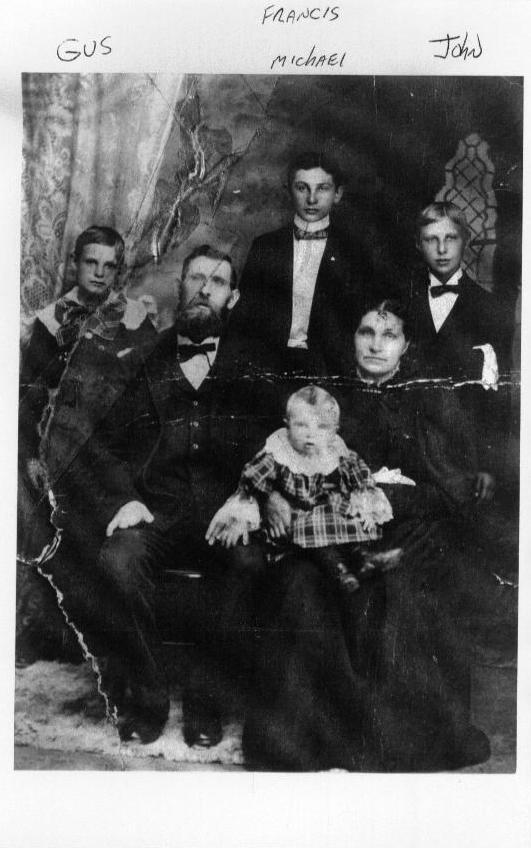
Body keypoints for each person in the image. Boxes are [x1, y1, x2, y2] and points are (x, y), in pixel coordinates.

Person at [35, 244, 277, 745]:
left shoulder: (254, 363)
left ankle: (206, 700)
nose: (205, 290)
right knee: (118, 560)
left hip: (225, 512)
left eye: (217, 282)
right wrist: (124, 499)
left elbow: (277, 439)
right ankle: (148, 696)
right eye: (196, 279)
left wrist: (249, 497)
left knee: (251, 564)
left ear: (232, 298)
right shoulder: (141, 358)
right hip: (155, 512)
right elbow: (98, 445)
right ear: (179, 287)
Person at [241, 299, 493, 772]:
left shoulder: (427, 399)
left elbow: (449, 490)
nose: (376, 345)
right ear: (352, 339)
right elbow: (281, 459)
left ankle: (390, 742)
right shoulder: (324, 399)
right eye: (366, 333)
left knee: (402, 594)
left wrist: (388, 499)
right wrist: (273, 495)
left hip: (407, 531)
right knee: (302, 587)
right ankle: (306, 738)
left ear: (406, 345)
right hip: (327, 531)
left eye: (389, 335)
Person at [206, 385, 394, 594]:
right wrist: (262, 496)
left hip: (330, 511)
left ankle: (364, 558)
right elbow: (253, 476)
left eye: (322, 427)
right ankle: (340, 571)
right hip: (297, 516)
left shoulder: (337, 452)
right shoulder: (280, 453)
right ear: (287, 425)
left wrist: (366, 497)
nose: (310, 435)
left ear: (335, 430)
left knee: (352, 521)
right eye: (301, 425)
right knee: (317, 532)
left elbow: (358, 473)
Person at [228, 151, 373, 374]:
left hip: (331, 370)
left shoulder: (353, 252)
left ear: (337, 194)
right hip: (270, 367)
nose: (311, 199)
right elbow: (244, 319)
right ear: (289, 191)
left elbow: (360, 322)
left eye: (322, 188)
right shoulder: (265, 246)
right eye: (302, 188)